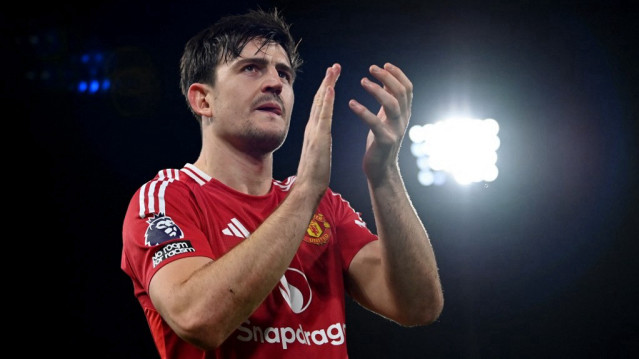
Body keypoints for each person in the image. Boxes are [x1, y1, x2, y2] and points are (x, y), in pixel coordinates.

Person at [121, 8, 443, 359]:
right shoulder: (166, 198)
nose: (276, 83)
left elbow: (419, 306)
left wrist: (384, 174)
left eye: (284, 74)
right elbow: (198, 319)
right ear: (204, 100)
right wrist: (306, 193)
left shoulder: (325, 207)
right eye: (251, 68)